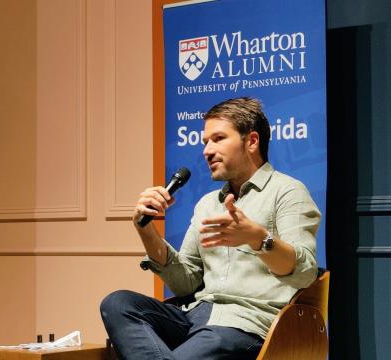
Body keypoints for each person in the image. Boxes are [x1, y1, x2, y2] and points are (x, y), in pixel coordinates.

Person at [100, 97, 320, 359]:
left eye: (218, 139)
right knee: (118, 303)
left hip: (246, 325)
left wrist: (258, 238)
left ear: (251, 141)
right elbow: (185, 283)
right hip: (196, 316)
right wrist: (145, 228)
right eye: (205, 142)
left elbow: (305, 273)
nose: (206, 150)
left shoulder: (288, 192)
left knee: (211, 338)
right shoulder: (208, 204)